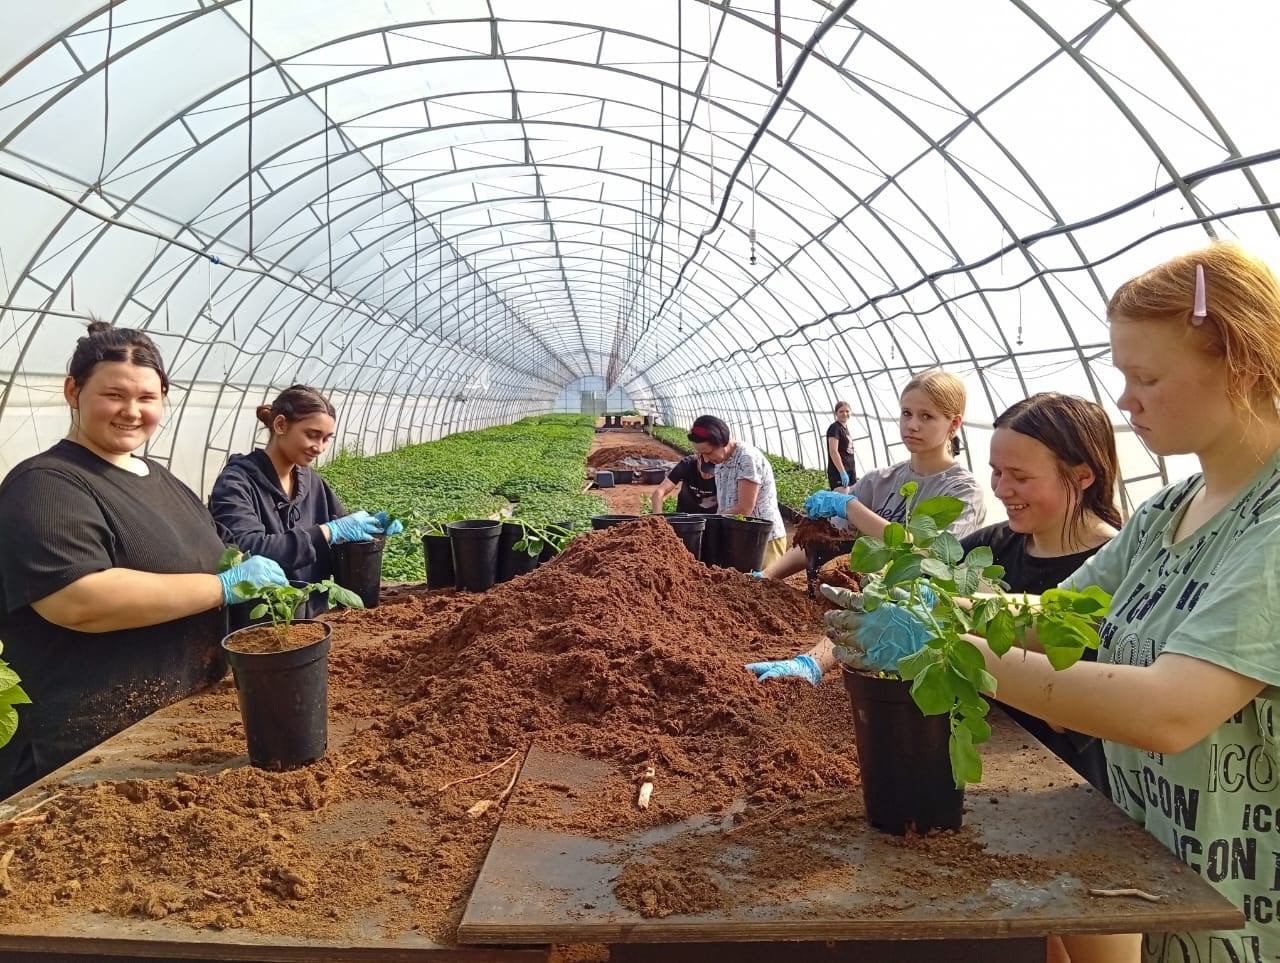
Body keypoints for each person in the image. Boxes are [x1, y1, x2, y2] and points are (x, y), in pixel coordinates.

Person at [813, 242, 1280, 963]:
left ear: (1241, 364)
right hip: (1153, 872)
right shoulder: (1171, 510)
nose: (1125, 400)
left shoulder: (1272, 521)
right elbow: (1054, 614)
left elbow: (1171, 709)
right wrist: (944, 613)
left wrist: (951, 654)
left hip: (1243, 904)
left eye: (1147, 376)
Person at [0, 322, 287, 800]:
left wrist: (247, 574)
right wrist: (222, 587)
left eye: (147, 398)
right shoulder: (47, 485)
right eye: (113, 394)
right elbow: (79, 599)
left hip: (169, 730)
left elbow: (218, 551)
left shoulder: (160, 478)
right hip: (81, 753)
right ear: (74, 391)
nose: (132, 412)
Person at [763, 369, 986, 580]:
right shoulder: (878, 481)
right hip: (858, 602)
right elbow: (821, 540)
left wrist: (852, 508)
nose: (912, 425)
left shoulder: (962, 491)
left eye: (926, 416)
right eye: (906, 413)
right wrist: (766, 575)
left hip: (919, 612)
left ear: (954, 423)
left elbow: (932, 560)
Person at [209, 385, 401, 616]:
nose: (319, 447)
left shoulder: (310, 480)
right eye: (312, 435)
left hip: (315, 618)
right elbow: (248, 548)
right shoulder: (235, 484)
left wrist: (372, 526)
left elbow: (340, 528)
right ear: (280, 425)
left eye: (327, 438)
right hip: (264, 623)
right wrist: (328, 532)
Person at [686, 415, 788, 567]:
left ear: (722, 442)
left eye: (707, 452)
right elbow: (725, 504)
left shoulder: (747, 458)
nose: (705, 460)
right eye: (701, 454)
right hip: (738, 536)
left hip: (762, 540)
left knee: (762, 586)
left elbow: (744, 509)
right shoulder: (720, 461)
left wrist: (708, 521)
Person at [650, 453, 718, 515]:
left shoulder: (724, 471)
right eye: (705, 470)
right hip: (685, 517)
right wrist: (658, 517)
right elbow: (659, 492)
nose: (708, 475)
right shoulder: (687, 464)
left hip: (712, 518)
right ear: (698, 458)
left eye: (712, 471)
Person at [826, 400, 855, 489]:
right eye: (841, 411)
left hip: (850, 471)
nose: (845, 414)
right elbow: (833, 451)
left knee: (851, 500)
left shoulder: (845, 429)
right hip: (838, 473)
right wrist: (842, 472)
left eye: (847, 411)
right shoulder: (835, 428)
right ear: (836, 413)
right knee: (845, 501)